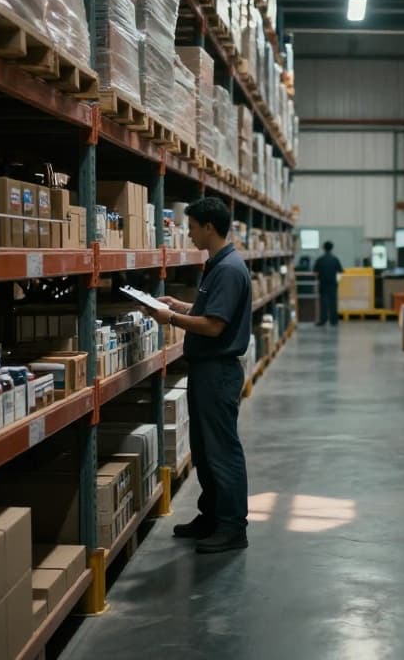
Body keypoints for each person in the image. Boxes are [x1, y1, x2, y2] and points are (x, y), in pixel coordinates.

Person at [145, 196, 253, 554]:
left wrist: (171, 319)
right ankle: (212, 516)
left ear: (209, 227)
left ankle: (232, 526)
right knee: (204, 450)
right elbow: (209, 312)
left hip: (217, 371)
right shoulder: (218, 264)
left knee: (222, 450)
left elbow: (213, 326)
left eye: (191, 227)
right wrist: (181, 306)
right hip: (207, 370)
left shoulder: (228, 269)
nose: (187, 234)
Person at [313, 241, 343, 327]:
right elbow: (340, 271)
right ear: (332, 248)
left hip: (323, 284)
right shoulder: (335, 259)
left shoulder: (320, 260)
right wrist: (337, 281)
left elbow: (315, 272)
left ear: (324, 248)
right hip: (333, 284)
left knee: (323, 303)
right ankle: (334, 321)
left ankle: (323, 320)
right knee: (333, 302)